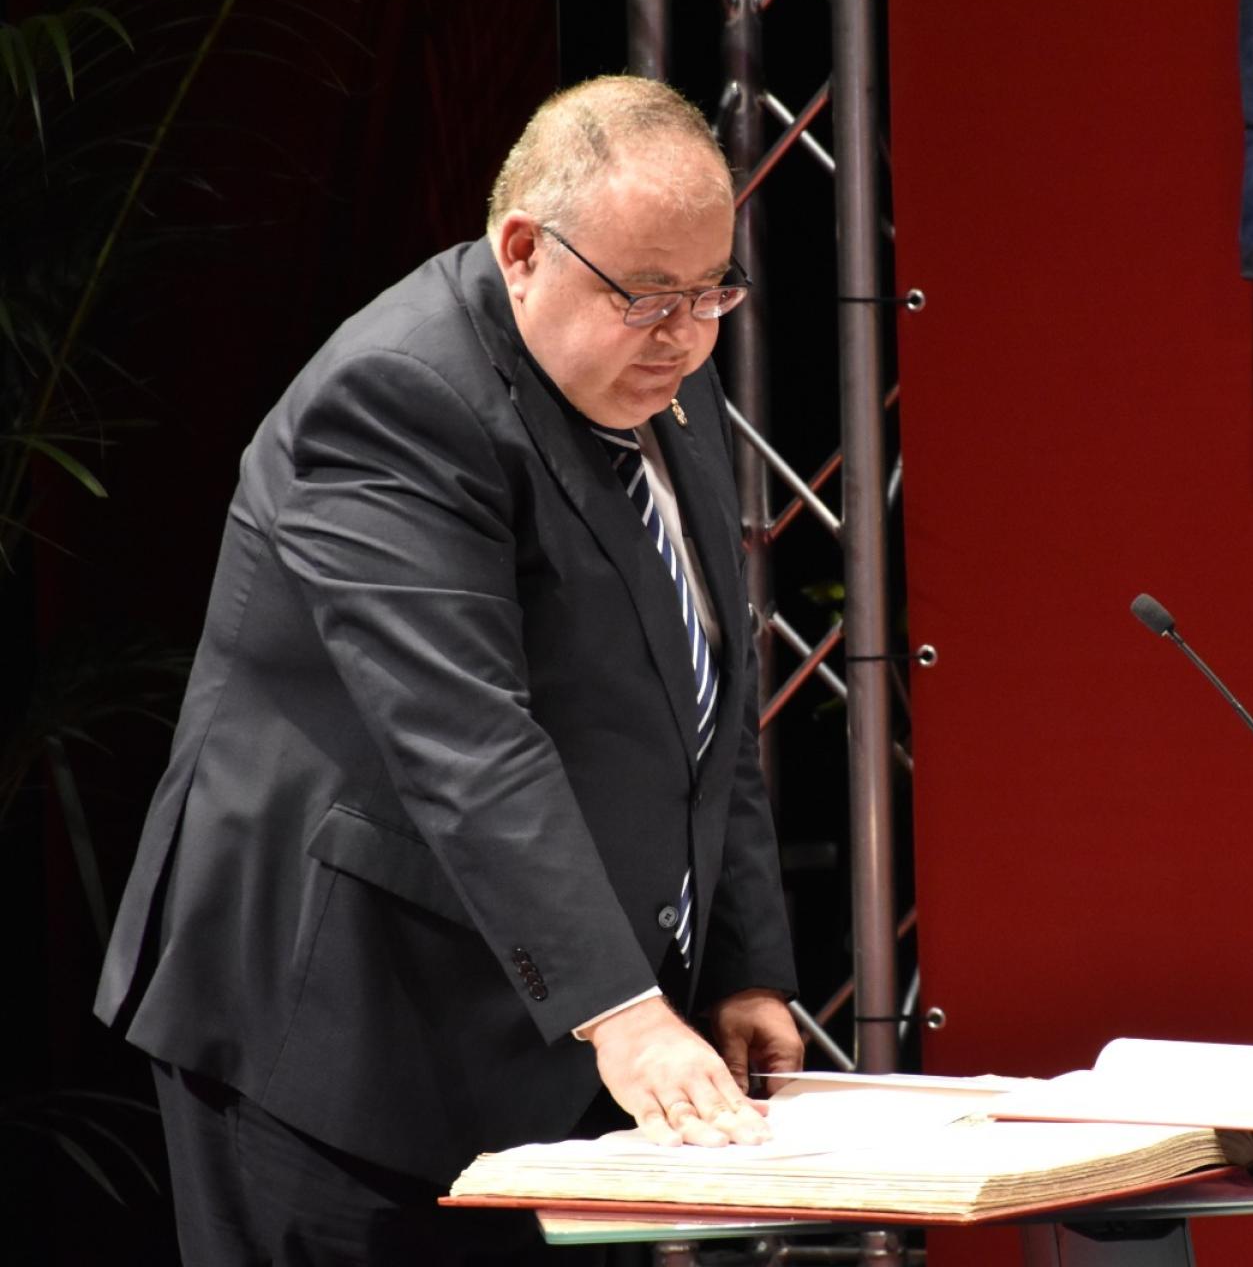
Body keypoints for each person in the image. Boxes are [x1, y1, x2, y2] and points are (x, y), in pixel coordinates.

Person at [94, 75, 804, 1264]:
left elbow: (699, 704)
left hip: (555, 1044)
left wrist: (737, 966)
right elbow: (466, 738)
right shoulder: (398, 398)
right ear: (523, 248)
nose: (683, 331)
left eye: (710, 292)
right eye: (646, 295)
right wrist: (622, 1011)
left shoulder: (656, 370)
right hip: (340, 1036)